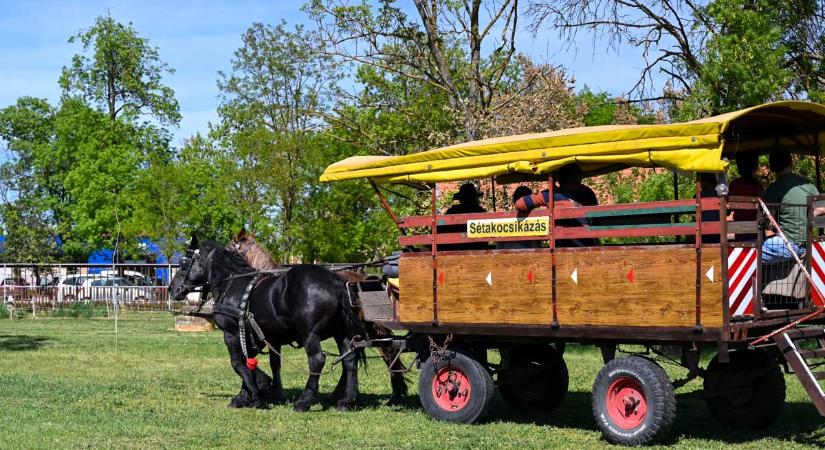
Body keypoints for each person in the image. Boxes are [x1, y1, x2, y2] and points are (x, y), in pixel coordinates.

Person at [762, 149, 819, 263]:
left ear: (772, 168)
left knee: (748, 251)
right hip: (807, 242)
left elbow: (768, 221)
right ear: (791, 163)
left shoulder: (775, 188)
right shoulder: (808, 184)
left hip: (789, 245)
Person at [439, 183, 488, 250]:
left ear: (461, 198)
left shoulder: (453, 211)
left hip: (456, 248)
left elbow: (440, 226)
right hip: (478, 247)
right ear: (475, 198)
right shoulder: (481, 211)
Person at [728, 152, 764, 241]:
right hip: (756, 229)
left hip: (740, 230)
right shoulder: (757, 184)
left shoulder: (734, 185)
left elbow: (728, 210)